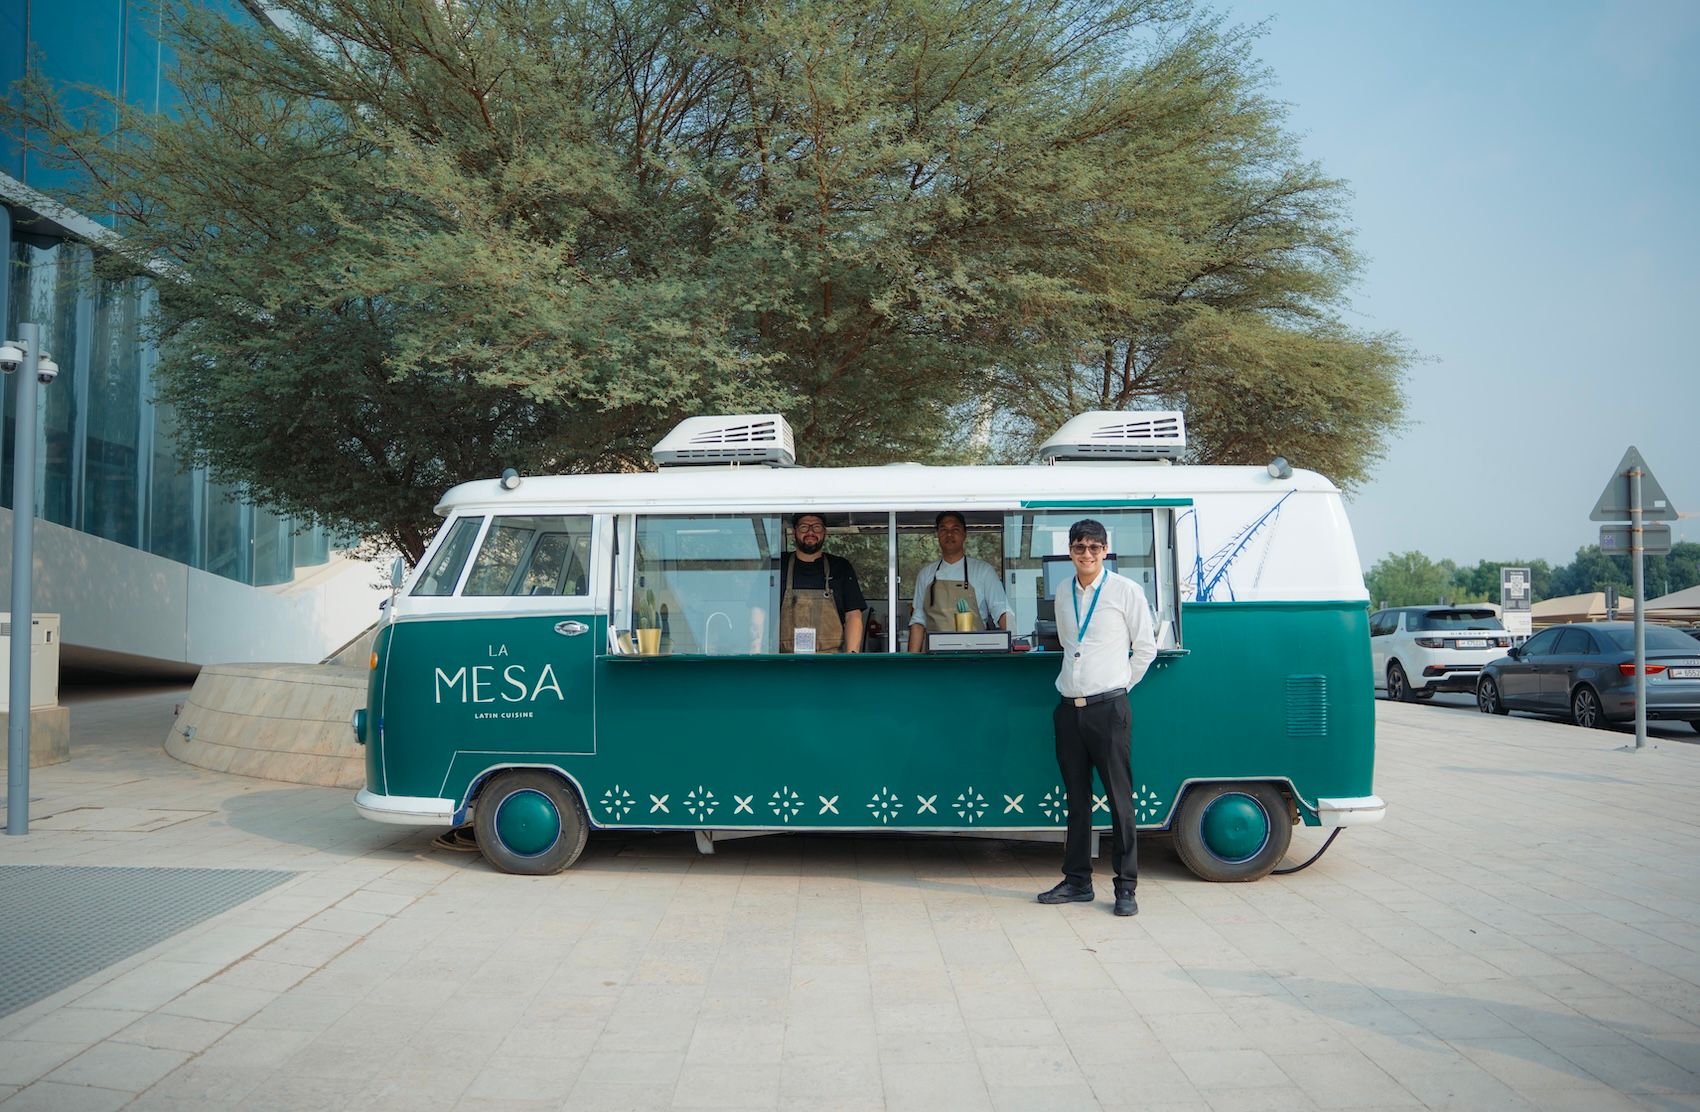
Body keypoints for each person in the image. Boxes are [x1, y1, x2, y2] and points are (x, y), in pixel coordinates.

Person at [1037, 518, 1158, 917]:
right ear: (1069, 551)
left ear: (1105, 552)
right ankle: (1077, 881)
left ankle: (1126, 888)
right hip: (1069, 710)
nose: (1086, 554)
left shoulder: (1125, 592)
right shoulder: (1061, 591)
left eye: (1094, 547)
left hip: (1109, 709)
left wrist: (1119, 687)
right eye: (1079, 547)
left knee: (1120, 801)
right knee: (1076, 801)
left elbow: (1145, 649)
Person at [906, 511, 1013, 652]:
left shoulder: (983, 571)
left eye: (955, 529)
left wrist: (1016, 649)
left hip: (975, 657)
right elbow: (918, 621)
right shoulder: (926, 574)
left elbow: (1002, 612)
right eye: (944, 529)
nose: (949, 534)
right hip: (934, 659)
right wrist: (911, 662)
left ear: (964, 534)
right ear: (937, 534)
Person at [778, 513, 866, 653]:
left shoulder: (841, 567)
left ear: (824, 532)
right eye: (804, 527)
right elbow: (759, 613)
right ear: (794, 531)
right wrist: (758, 658)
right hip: (784, 662)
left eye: (817, 527)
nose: (810, 532)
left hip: (830, 663)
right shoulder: (777, 566)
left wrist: (851, 658)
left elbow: (853, 616)